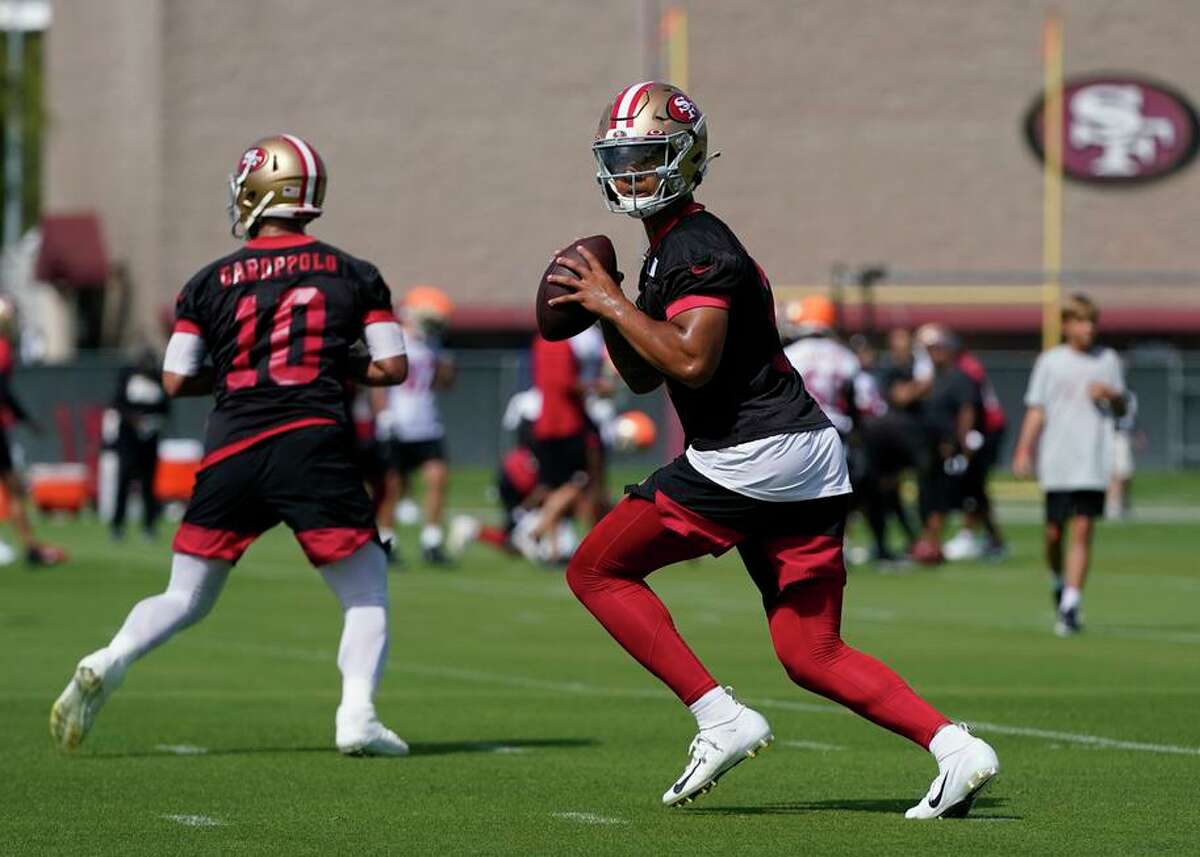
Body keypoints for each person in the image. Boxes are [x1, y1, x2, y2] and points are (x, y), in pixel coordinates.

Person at [546, 81, 998, 817]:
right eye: (621, 159)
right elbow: (641, 373)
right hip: (803, 456)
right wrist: (604, 310)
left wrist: (612, 302)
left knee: (596, 569)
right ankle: (955, 746)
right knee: (810, 652)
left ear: (687, 160)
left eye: (648, 157)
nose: (631, 174)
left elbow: (691, 361)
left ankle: (718, 716)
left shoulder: (697, 246)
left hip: (755, 450)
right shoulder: (667, 251)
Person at [50, 134, 410, 755]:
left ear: (256, 193)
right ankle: (357, 716)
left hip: (232, 445)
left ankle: (110, 658)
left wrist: (250, 371)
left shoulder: (207, 281)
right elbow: (392, 365)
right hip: (309, 442)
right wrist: (327, 364)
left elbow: (175, 377)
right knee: (365, 588)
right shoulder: (354, 273)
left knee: (184, 595)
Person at [1013, 294, 1126, 636]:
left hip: (1092, 460)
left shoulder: (1108, 360)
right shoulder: (1051, 362)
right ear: (1066, 325)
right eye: (1080, 321)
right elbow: (1037, 409)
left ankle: (1072, 604)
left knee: (1083, 529)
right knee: (1053, 533)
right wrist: (1023, 449)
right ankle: (1059, 583)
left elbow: (1122, 409)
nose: (1087, 328)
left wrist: (1113, 396)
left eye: (1092, 322)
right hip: (1058, 461)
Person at [374, 286, 456, 564]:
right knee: (392, 487)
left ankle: (431, 541)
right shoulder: (395, 340)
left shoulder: (432, 344)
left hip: (426, 423)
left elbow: (444, 384)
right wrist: (383, 415)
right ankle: (387, 541)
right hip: (398, 422)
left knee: (438, 478)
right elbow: (379, 384)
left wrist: (445, 360)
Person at [0, 297, 66, 566]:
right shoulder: (3, 349)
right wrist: (27, 419)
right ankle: (29, 546)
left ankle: (30, 546)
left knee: (14, 486)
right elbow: (3, 392)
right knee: (13, 487)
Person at [109, 347, 170, 541]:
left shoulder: (159, 381)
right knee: (124, 480)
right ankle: (117, 526)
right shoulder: (128, 377)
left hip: (149, 438)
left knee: (149, 484)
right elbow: (118, 403)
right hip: (128, 438)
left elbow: (165, 408)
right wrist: (133, 419)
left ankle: (149, 526)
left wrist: (150, 422)